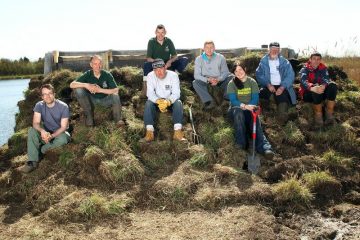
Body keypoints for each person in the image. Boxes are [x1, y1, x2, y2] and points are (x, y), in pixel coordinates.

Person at [18, 84, 71, 173]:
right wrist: (42, 131)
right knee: (32, 130)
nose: (47, 96)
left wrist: (52, 136)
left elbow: (63, 127)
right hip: (46, 132)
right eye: (44, 94)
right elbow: (35, 123)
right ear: (42, 96)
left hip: (59, 133)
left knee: (64, 139)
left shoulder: (63, 106)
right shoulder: (39, 105)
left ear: (54, 94)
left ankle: (41, 150)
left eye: (50, 93)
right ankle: (32, 162)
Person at [227, 61, 274, 159]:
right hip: (236, 110)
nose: (239, 72)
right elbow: (233, 100)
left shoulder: (252, 81)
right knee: (239, 114)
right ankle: (241, 144)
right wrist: (244, 106)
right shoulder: (231, 84)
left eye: (240, 69)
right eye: (236, 71)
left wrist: (250, 106)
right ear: (234, 73)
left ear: (245, 69)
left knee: (256, 121)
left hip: (251, 108)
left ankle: (264, 148)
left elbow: (255, 98)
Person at [70, 55, 123, 127]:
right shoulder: (87, 74)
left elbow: (116, 90)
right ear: (91, 65)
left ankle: (118, 120)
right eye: (95, 64)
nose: (97, 66)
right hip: (92, 101)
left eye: (99, 63)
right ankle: (89, 117)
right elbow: (72, 84)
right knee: (79, 90)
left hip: (105, 100)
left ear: (101, 64)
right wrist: (86, 85)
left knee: (115, 96)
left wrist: (100, 90)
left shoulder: (107, 74)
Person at [142, 59, 186, 142]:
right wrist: (158, 101)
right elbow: (150, 93)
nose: (159, 72)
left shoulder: (173, 75)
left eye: (161, 69)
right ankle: (149, 133)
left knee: (178, 103)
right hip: (157, 102)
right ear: (153, 70)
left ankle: (177, 132)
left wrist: (168, 101)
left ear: (165, 68)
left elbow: (176, 93)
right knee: (148, 103)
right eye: (156, 70)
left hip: (170, 101)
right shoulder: (150, 76)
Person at [255, 42, 296, 123]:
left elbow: (290, 75)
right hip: (268, 85)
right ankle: (269, 109)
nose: (274, 51)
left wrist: (282, 87)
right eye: (272, 49)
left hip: (282, 85)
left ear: (279, 50)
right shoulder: (263, 61)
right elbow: (259, 74)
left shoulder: (285, 62)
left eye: (276, 49)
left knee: (283, 97)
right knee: (261, 94)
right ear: (269, 50)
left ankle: (281, 119)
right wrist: (268, 84)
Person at [142, 24, 189, 95]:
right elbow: (148, 58)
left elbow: (175, 56)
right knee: (146, 65)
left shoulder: (168, 41)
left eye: (162, 32)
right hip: (156, 63)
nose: (160, 35)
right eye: (158, 32)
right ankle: (145, 88)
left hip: (167, 64)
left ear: (165, 32)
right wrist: (157, 62)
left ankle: (174, 76)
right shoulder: (151, 41)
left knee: (184, 60)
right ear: (155, 32)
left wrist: (170, 61)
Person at [299, 52, 337, 128]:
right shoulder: (305, 69)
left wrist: (323, 85)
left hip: (320, 91)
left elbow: (326, 78)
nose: (316, 61)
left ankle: (329, 113)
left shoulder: (323, 68)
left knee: (332, 85)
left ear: (320, 60)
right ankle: (318, 116)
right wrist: (312, 87)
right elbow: (303, 81)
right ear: (310, 60)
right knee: (316, 88)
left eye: (318, 59)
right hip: (307, 94)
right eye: (314, 59)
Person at [193, 40, 233, 110]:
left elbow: (225, 72)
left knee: (232, 77)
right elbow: (196, 75)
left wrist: (218, 79)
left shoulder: (221, 57)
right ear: (204, 49)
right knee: (195, 83)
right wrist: (208, 80)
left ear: (214, 48)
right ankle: (209, 101)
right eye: (207, 47)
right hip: (207, 81)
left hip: (219, 81)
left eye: (211, 47)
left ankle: (226, 99)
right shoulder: (199, 59)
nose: (209, 49)